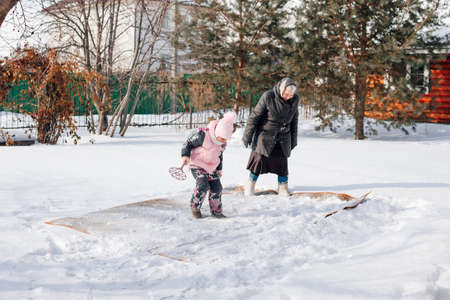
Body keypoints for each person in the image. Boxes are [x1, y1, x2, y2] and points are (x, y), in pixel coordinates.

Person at [242, 77, 299, 196]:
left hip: (283, 138)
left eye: (291, 95)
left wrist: (293, 140)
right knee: (258, 162)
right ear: (281, 89)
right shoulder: (269, 96)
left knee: (282, 165)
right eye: (286, 94)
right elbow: (255, 116)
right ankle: (250, 185)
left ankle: (283, 188)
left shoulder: (295, 100)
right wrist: (248, 135)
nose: (288, 97)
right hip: (265, 136)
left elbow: (294, 121)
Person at [181, 111, 237, 218]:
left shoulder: (222, 143)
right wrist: (185, 156)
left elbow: (219, 156)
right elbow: (187, 144)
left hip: (211, 167)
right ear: (217, 132)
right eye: (222, 138)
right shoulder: (203, 135)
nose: (223, 141)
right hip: (197, 164)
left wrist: (219, 169)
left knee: (217, 188)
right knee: (203, 185)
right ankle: (195, 207)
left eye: (226, 139)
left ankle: (216, 211)